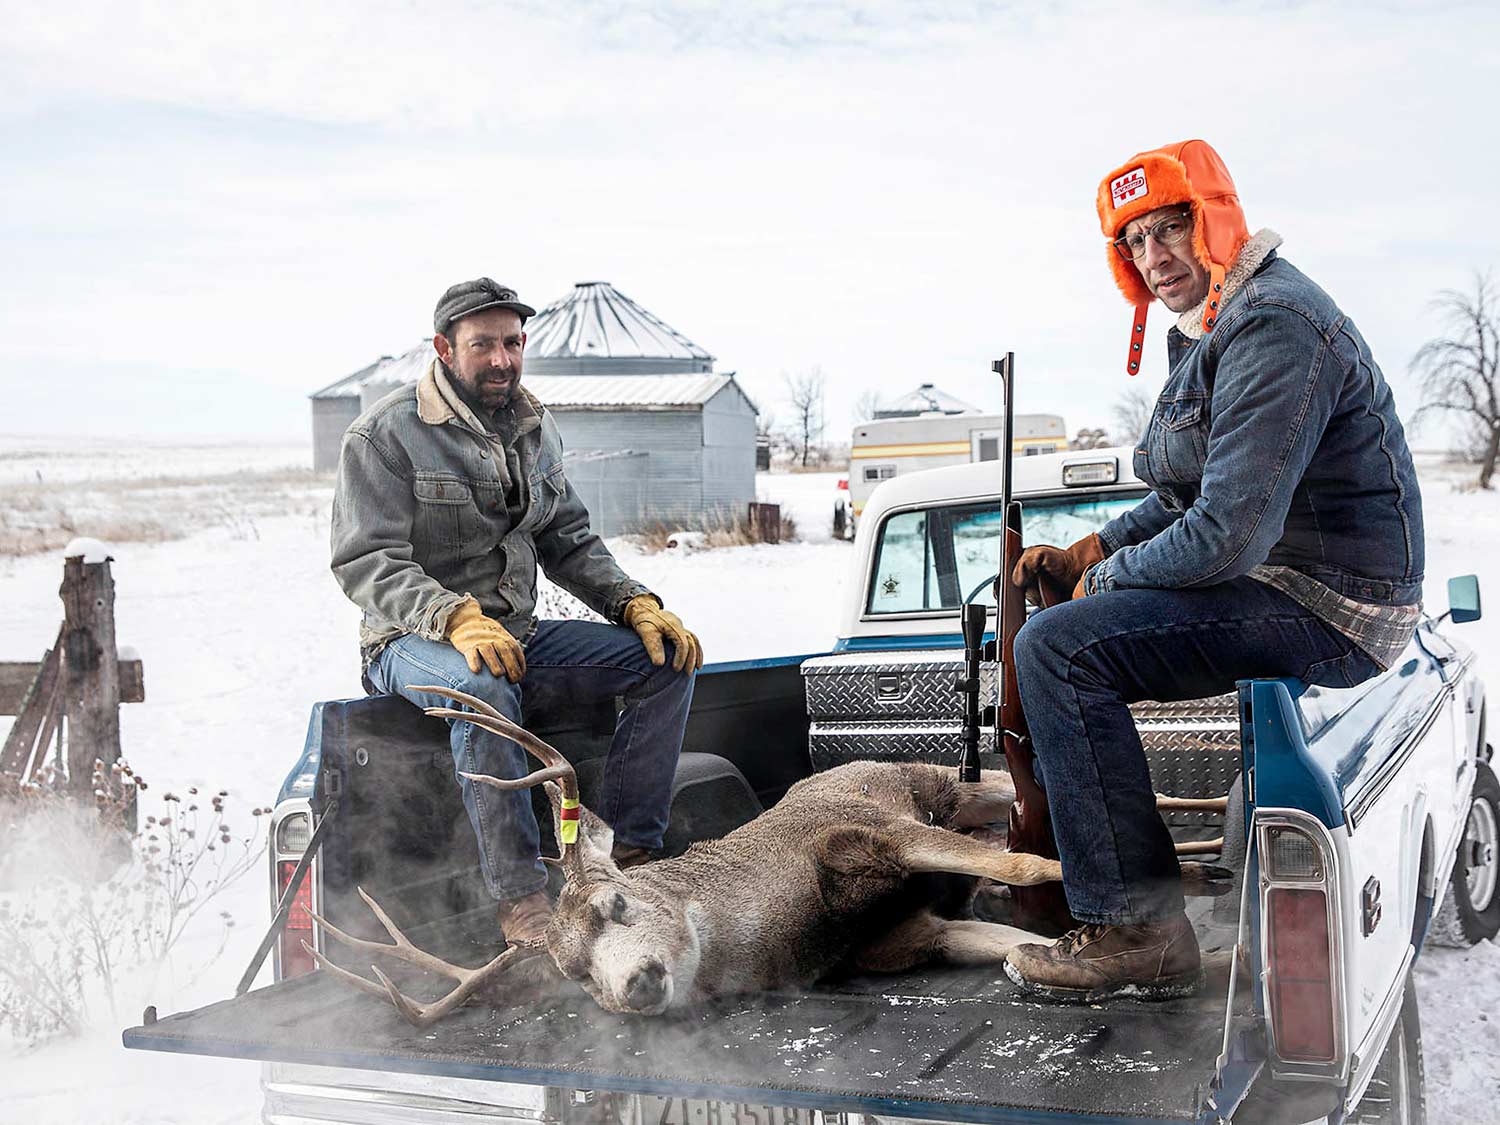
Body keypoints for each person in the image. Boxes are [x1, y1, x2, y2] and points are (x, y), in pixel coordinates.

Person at [1002, 140, 1424, 1002]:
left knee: (1060, 649)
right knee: (1061, 633)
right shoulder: (1216, 328)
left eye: (1171, 231)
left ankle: (1139, 930)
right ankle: (1128, 903)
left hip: (1336, 602)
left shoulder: (1274, 324)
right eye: (1135, 243)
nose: (1155, 259)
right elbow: (1189, 494)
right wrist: (1093, 549)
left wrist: (1102, 585)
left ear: (1215, 224)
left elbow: (1226, 534)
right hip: (1287, 577)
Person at [330, 278, 704, 946]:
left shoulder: (533, 427)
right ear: (444, 348)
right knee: (482, 689)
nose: (500, 359)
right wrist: (454, 617)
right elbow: (365, 562)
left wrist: (634, 602)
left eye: (511, 343)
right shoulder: (384, 435)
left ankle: (624, 858)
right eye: (483, 345)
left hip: (515, 632)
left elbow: (567, 536)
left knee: (665, 663)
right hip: (408, 639)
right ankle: (522, 898)